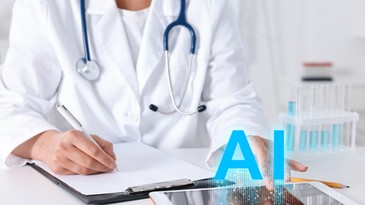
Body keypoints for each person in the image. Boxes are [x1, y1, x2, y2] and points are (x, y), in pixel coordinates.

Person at [0, 0, 307, 187]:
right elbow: (14, 103)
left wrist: (248, 138)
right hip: (86, 189)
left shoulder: (210, 4)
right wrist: (45, 143)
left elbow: (232, 99)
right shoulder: (45, 5)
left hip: (186, 192)